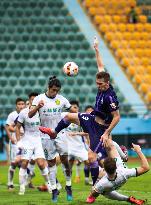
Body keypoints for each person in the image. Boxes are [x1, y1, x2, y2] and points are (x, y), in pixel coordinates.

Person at [39, 37, 120, 185]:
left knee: (91, 158)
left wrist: (107, 132)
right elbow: (100, 66)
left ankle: (96, 186)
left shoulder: (110, 98)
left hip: (99, 129)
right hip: (92, 117)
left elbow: (117, 117)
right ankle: (54, 132)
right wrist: (96, 49)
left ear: (107, 83)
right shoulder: (103, 82)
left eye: (100, 84)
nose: (98, 86)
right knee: (69, 116)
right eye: (97, 83)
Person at [28, 76, 74, 202]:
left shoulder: (61, 99)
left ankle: (68, 186)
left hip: (60, 133)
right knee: (51, 163)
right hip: (45, 135)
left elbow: (73, 110)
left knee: (65, 160)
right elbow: (30, 114)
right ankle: (54, 189)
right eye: (53, 90)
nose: (55, 93)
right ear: (48, 88)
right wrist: (38, 107)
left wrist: (72, 117)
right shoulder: (39, 98)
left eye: (57, 90)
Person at [86, 140, 149, 205]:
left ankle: (127, 199)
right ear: (116, 166)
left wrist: (92, 195)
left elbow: (92, 196)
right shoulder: (125, 172)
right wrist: (138, 151)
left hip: (107, 186)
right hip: (121, 177)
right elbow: (146, 168)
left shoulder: (102, 183)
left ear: (104, 169)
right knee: (110, 143)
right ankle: (124, 157)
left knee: (100, 191)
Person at [16, 92, 51, 195]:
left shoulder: (43, 112)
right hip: (27, 141)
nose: (34, 101)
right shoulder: (23, 112)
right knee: (24, 163)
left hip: (39, 141)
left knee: (41, 164)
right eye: (32, 99)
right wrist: (19, 142)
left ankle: (49, 185)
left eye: (36, 99)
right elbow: (17, 127)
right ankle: (22, 187)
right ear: (29, 101)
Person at [5, 98, 25, 190]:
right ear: (16, 105)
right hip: (15, 143)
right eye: (19, 104)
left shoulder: (26, 114)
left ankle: (26, 182)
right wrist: (11, 137)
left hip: (26, 142)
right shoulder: (12, 115)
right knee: (14, 163)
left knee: (25, 164)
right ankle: (10, 183)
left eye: (22, 104)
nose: (21, 106)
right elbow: (8, 127)